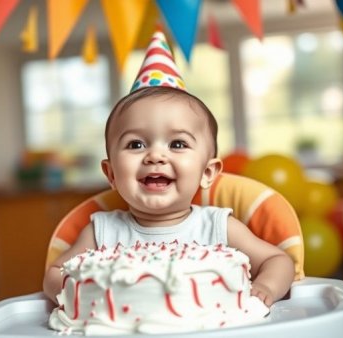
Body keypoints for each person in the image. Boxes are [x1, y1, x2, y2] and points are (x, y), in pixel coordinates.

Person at [43, 30, 295, 307]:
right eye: (136, 144)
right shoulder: (101, 233)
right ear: (111, 174)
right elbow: (54, 275)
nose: (155, 156)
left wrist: (264, 287)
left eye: (177, 144)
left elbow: (278, 260)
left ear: (207, 173)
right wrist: (81, 295)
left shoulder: (218, 227)